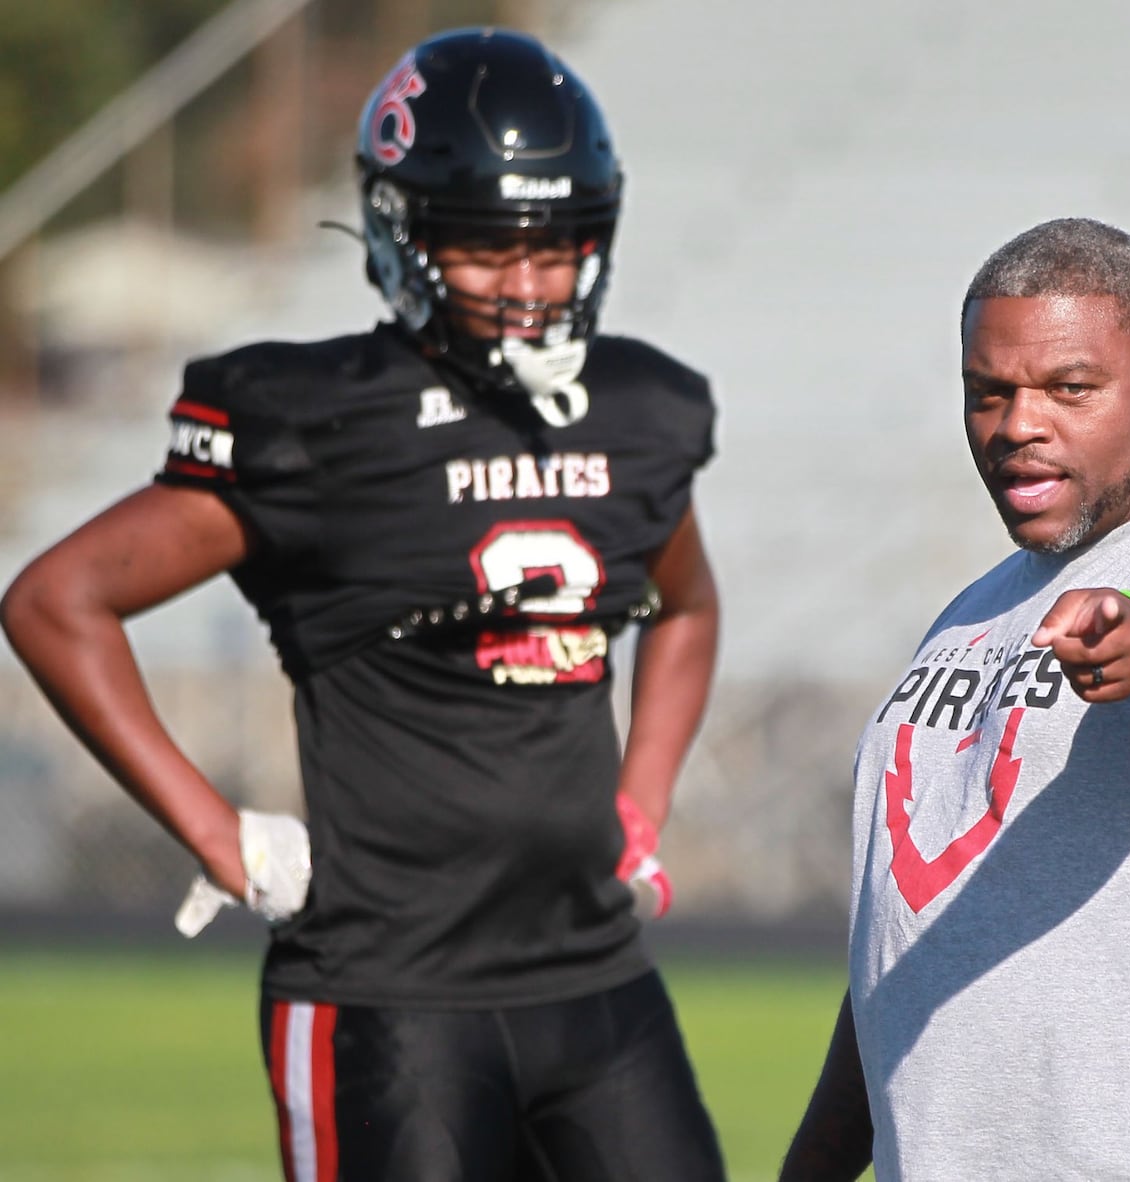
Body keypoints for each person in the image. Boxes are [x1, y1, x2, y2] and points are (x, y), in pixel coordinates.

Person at [1, 28, 727, 1182]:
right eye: (489, 250)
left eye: (557, 247)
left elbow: (683, 607)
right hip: (388, 999)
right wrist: (213, 829)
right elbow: (56, 599)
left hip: (594, 981)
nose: (531, 285)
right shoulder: (317, 423)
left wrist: (643, 798)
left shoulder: (637, 411)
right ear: (401, 232)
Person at [780, 217, 1130, 1180]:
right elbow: (905, 935)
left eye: (1069, 388)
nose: (1018, 424)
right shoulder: (972, 617)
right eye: (987, 393)